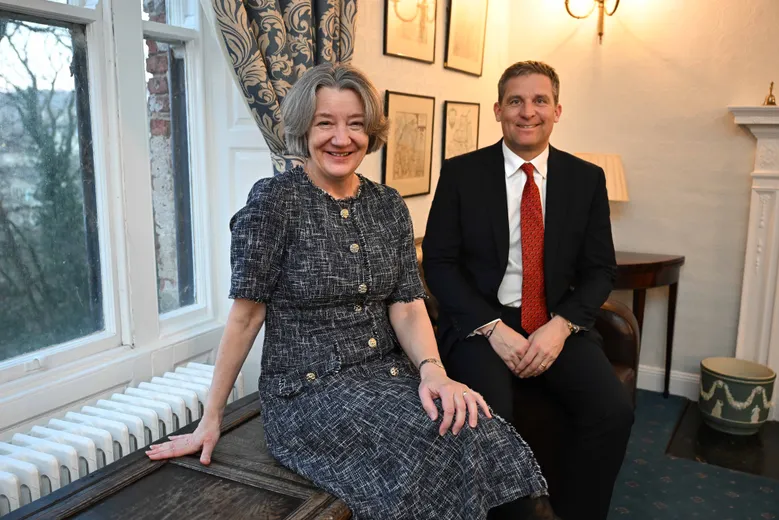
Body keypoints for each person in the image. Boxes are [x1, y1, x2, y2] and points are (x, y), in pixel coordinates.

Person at [146, 63, 559, 520]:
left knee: (479, 426)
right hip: (307, 394)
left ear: (370, 132)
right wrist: (210, 420)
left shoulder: (387, 205)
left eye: (356, 124)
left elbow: (408, 304)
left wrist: (435, 373)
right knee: (435, 442)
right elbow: (246, 317)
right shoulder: (274, 202)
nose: (341, 138)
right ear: (304, 129)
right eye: (326, 123)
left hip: (389, 377)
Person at [422, 60, 635, 520]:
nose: (527, 111)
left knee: (613, 411)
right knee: (489, 419)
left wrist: (561, 327)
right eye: (515, 101)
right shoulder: (461, 173)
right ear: (498, 110)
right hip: (481, 322)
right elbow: (438, 264)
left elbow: (600, 270)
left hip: (555, 319)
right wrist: (491, 327)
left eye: (540, 100)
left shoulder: (586, 178)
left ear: (557, 111)